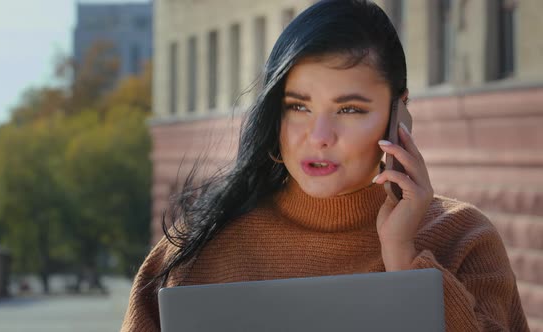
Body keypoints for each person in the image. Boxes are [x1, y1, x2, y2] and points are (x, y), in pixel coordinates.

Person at [121, 0, 529, 331]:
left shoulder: (464, 238)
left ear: (398, 112)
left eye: (349, 108)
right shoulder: (196, 248)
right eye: (297, 106)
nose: (319, 135)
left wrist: (403, 258)